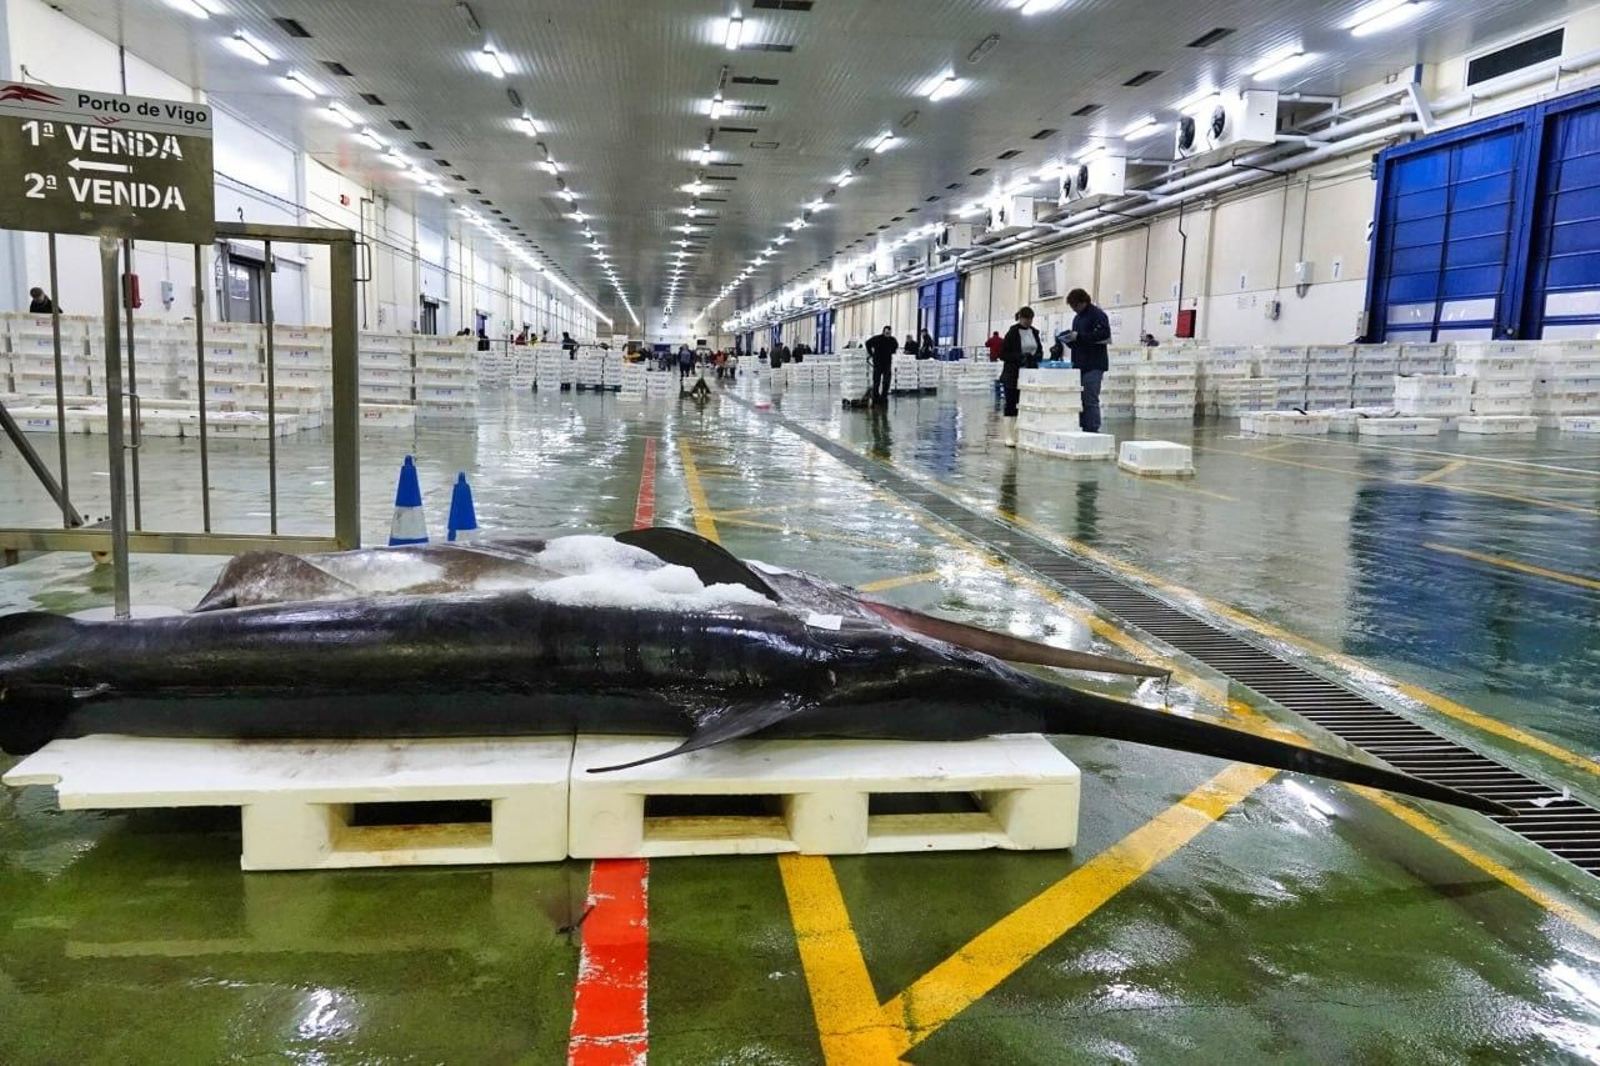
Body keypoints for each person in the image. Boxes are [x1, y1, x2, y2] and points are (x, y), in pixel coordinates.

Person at [1063, 288, 1113, 433]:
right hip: (1079, 363)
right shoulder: (1077, 318)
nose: (1073, 309)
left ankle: (1092, 429)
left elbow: (1104, 334)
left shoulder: (1098, 315)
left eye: (1074, 306)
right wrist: (1068, 340)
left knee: (1090, 399)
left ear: (1083, 302)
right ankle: (1083, 428)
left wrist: (1079, 336)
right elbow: (1078, 340)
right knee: (1080, 399)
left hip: (1094, 364)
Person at [998, 306, 1044, 448]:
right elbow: (1003, 354)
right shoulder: (1012, 333)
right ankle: (1008, 435)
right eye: (1025, 319)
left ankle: (1020, 434)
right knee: (1011, 403)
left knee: (1024, 405)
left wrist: (1034, 358)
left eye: (1030, 319)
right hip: (1012, 374)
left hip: (1029, 374)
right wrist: (1019, 357)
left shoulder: (1034, 333)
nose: (1028, 322)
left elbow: (1040, 351)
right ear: (1020, 318)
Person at [864, 326, 898, 407]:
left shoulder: (892, 340)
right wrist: (871, 354)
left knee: (886, 381)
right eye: (886, 333)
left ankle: (884, 397)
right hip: (878, 363)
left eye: (889, 333)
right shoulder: (877, 338)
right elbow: (867, 343)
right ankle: (875, 397)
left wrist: (892, 351)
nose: (888, 334)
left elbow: (895, 346)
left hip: (887, 363)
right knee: (876, 381)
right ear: (883, 332)